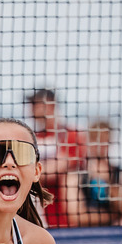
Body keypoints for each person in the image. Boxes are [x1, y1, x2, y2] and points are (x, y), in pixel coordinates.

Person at [26, 88, 85, 227]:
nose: (32, 110)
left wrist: (34, 171)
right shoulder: (30, 138)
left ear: (50, 106)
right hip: (38, 218)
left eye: (36, 104)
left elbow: (64, 165)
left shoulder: (70, 135)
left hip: (66, 220)